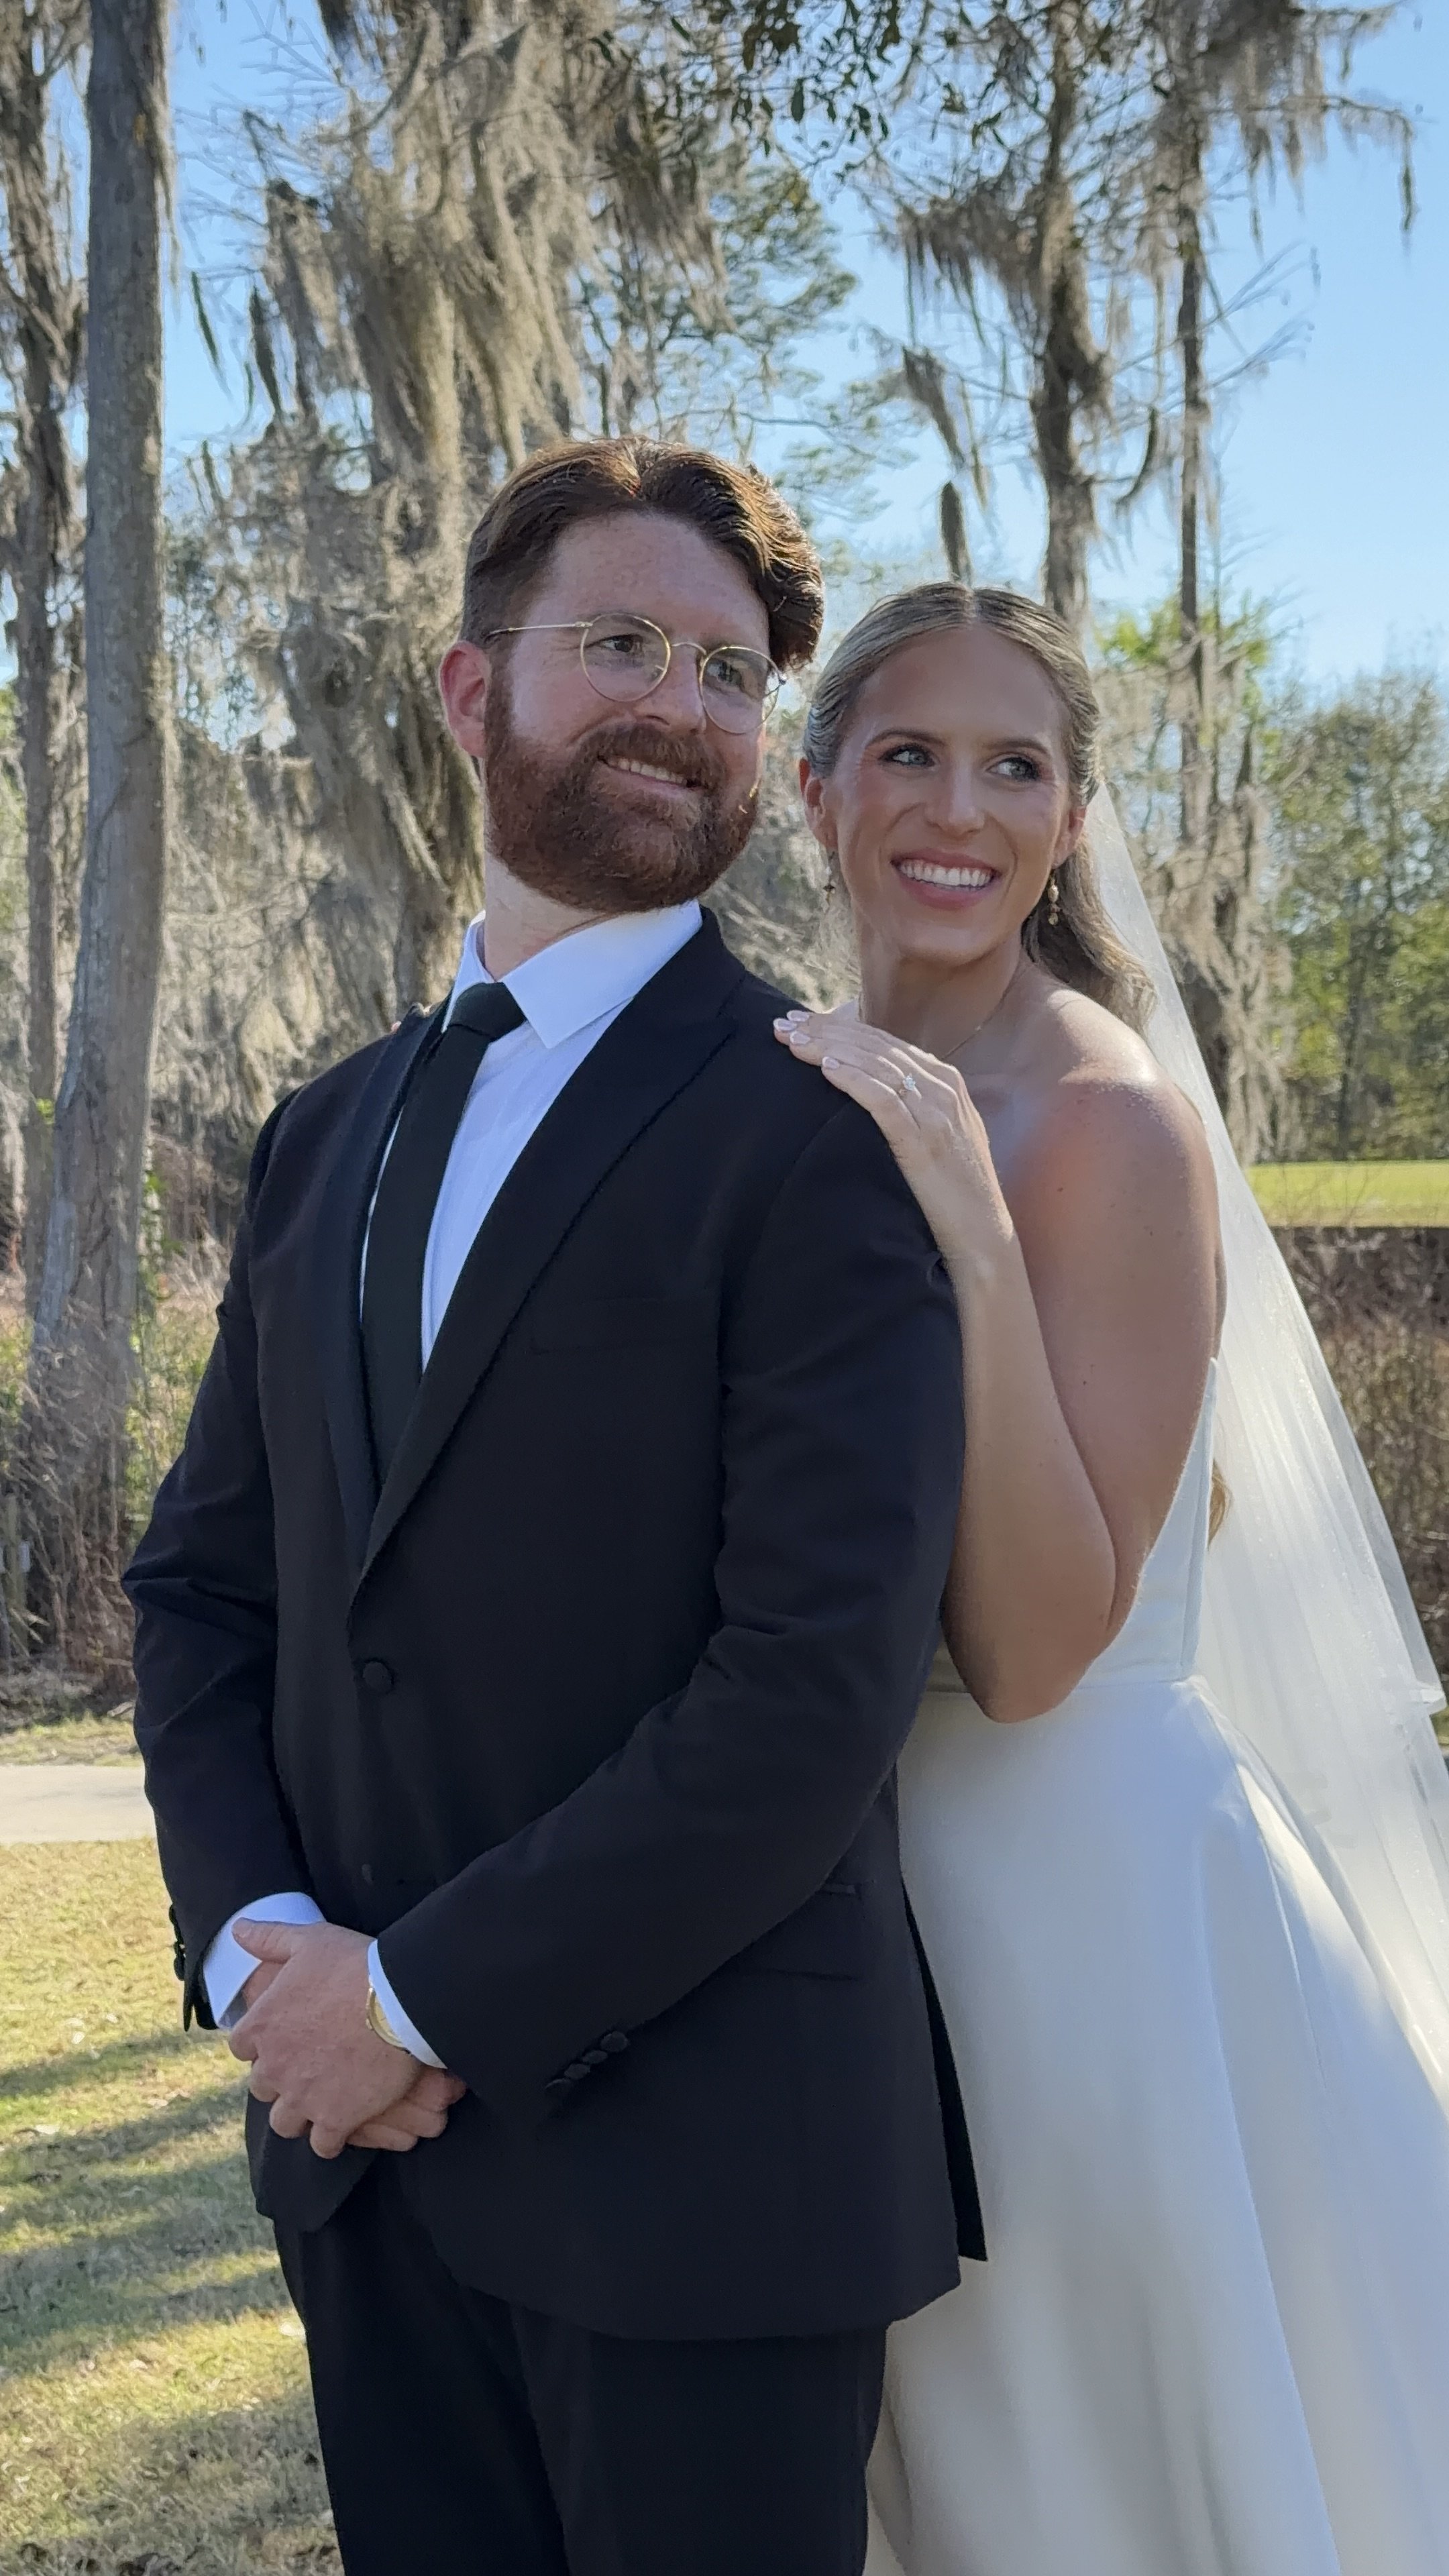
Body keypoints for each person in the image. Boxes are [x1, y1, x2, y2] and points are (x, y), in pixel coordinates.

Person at [124, 444, 982, 2576]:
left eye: (725, 669)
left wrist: (417, 2002)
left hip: (704, 2188)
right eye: (617, 644)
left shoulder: (815, 1129)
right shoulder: (323, 1134)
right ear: (465, 688)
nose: (678, 705)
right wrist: (262, 1963)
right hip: (369, 2181)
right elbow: (206, 1591)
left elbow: (809, 1694)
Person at [778, 581, 1449, 2576]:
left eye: (1018, 767)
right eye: (908, 752)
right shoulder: (799, 1075)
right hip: (864, 1892)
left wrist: (974, 1238)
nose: (957, 809)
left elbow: (1046, 1644)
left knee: (1098, 2465)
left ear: (1074, 821)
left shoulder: (1098, 1123)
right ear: (814, 791)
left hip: (1085, 1918)